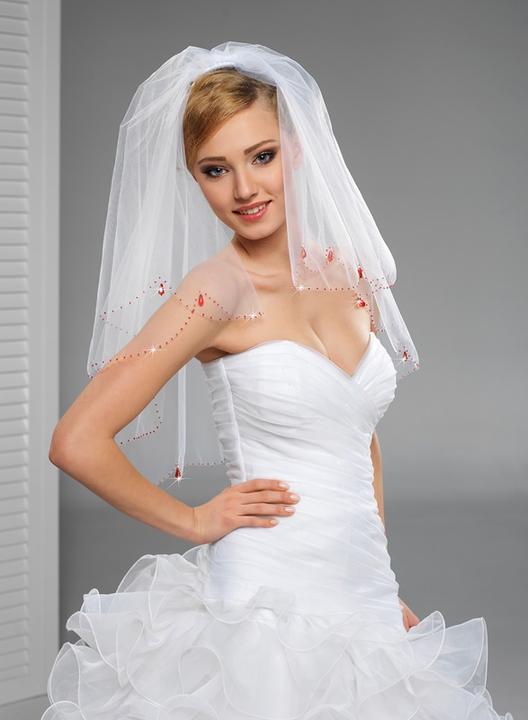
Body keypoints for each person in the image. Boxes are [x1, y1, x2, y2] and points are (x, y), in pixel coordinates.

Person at [41, 43, 514, 720]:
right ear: (192, 178)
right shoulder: (216, 293)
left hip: (360, 595)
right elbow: (76, 440)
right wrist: (194, 520)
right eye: (215, 170)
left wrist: (379, 585)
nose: (244, 190)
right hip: (262, 606)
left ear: (296, 148)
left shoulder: (346, 274)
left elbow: (358, 438)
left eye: (261, 156)